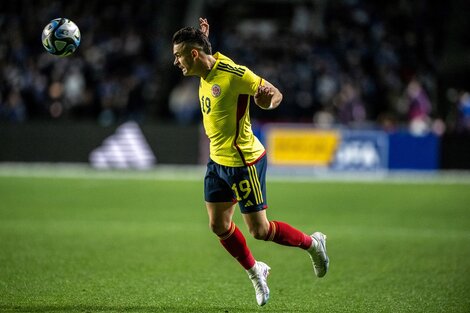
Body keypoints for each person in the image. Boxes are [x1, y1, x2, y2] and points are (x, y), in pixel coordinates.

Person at [172, 18, 329, 306]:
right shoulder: (205, 69)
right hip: (217, 162)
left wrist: (265, 101)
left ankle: (313, 244)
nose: (175, 62)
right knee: (219, 226)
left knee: (260, 231)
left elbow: (274, 94)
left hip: (244, 162)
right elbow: (208, 59)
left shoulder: (235, 74)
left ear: (193, 54)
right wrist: (203, 38)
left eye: (178, 55)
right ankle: (256, 271)